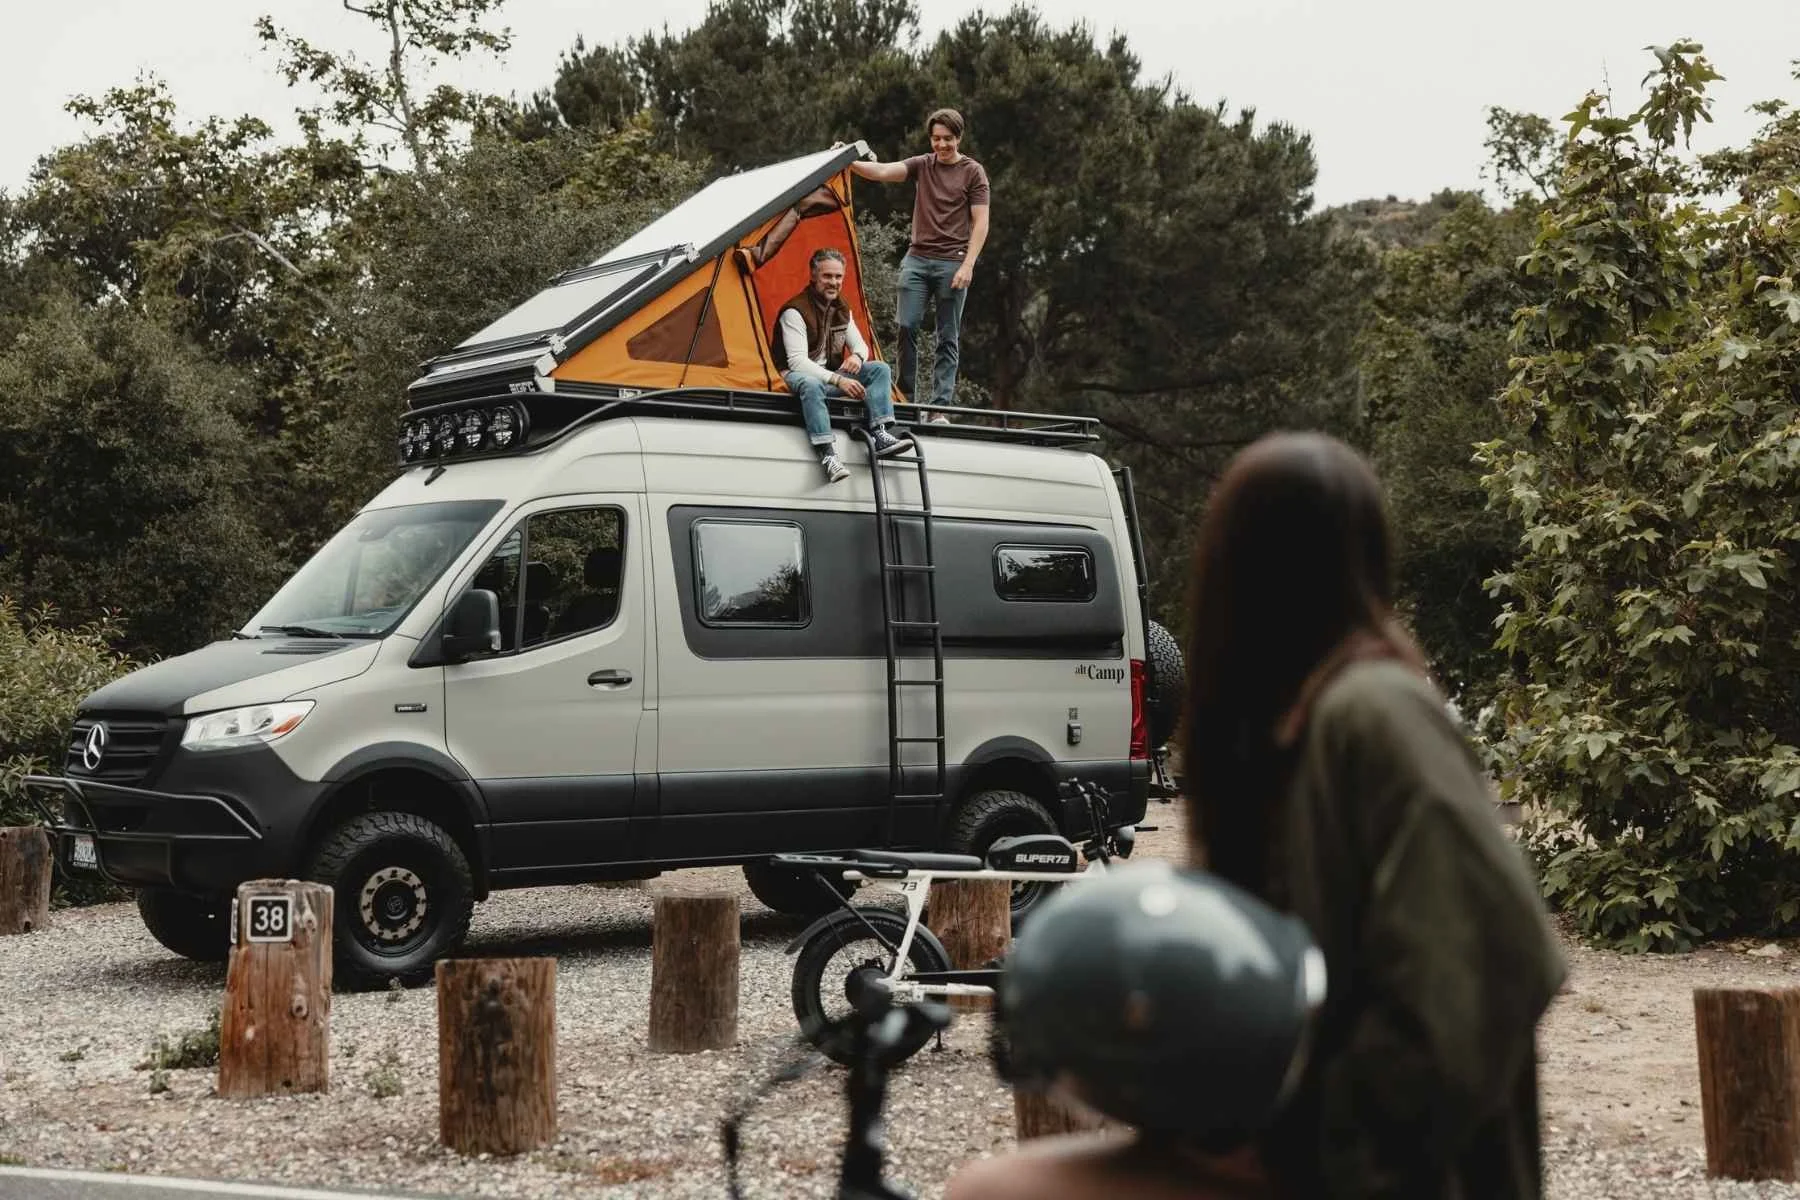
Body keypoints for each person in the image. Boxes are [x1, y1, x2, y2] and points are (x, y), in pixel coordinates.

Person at [947, 431, 1566, 1200]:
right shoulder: (1280, 732)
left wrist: (1299, 1141)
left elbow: (1496, 963)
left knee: (995, 1195)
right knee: (994, 1184)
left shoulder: (1378, 711)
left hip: (1391, 1171)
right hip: (1298, 1144)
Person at [842, 108, 991, 421]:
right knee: (906, 324)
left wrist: (969, 265)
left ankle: (940, 408)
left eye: (947, 139)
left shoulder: (973, 172)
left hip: (953, 262)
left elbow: (981, 222)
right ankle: (905, 397)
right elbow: (882, 171)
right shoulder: (923, 165)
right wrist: (845, 160)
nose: (941, 145)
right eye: (936, 139)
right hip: (917, 259)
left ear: (959, 137)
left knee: (946, 335)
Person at [774, 247, 912, 483]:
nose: (833, 282)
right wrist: (839, 379)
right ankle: (828, 455)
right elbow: (796, 362)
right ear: (813, 276)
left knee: (879, 368)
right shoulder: (794, 311)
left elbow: (861, 346)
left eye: (838, 277)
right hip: (795, 376)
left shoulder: (841, 309)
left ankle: (879, 433)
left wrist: (857, 357)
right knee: (810, 384)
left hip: (830, 377)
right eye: (827, 276)